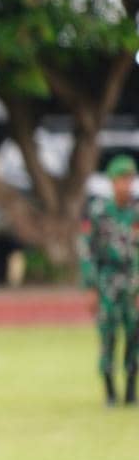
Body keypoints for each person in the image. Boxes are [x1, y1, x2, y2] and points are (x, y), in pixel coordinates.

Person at [80, 154, 138, 405]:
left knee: (134, 336)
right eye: (120, 179)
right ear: (112, 182)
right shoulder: (100, 212)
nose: (125, 185)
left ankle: (131, 392)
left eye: (129, 179)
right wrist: (91, 286)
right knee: (108, 336)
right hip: (107, 281)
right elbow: (88, 251)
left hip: (134, 283)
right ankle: (110, 393)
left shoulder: (136, 212)